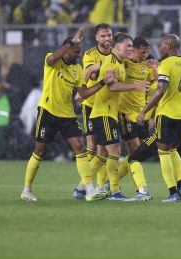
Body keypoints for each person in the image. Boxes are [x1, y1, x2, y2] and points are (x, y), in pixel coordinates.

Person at [20, 27, 117, 202]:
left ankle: (89, 189)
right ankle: (26, 189)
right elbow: (53, 57)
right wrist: (72, 41)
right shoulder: (52, 60)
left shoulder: (77, 70)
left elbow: (84, 93)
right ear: (66, 49)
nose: (78, 55)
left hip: (67, 115)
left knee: (79, 148)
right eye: (76, 52)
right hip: (47, 112)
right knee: (39, 151)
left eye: (80, 52)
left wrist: (102, 82)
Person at [88, 32, 150, 201]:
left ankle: (88, 186)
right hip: (110, 113)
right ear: (117, 47)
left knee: (103, 154)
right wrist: (135, 85)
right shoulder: (115, 63)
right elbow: (112, 87)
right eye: (128, 46)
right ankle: (116, 190)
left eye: (132, 46)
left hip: (117, 113)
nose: (131, 49)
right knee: (120, 151)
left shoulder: (122, 63)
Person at [136, 34, 181, 203]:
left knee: (163, 152)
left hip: (167, 114)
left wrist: (144, 112)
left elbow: (161, 89)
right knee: (174, 150)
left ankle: (172, 192)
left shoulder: (166, 64)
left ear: (168, 46)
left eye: (161, 45)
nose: (158, 48)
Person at [72, 23, 113, 200]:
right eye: (103, 36)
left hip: (107, 104)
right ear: (97, 38)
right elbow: (92, 74)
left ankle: (97, 185)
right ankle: (86, 185)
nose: (107, 38)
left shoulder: (115, 55)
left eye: (109, 35)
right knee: (92, 145)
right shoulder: (90, 54)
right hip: (90, 103)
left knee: (104, 148)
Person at [115, 36, 157, 201]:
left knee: (137, 153)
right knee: (135, 151)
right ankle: (141, 189)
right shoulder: (125, 63)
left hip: (142, 115)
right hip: (125, 113)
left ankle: (111, 182)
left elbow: (156, 88)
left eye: (148, 52)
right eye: (143, 51)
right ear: (134, 49)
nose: (146, 54)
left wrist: (155, 69)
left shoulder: (147, 67)